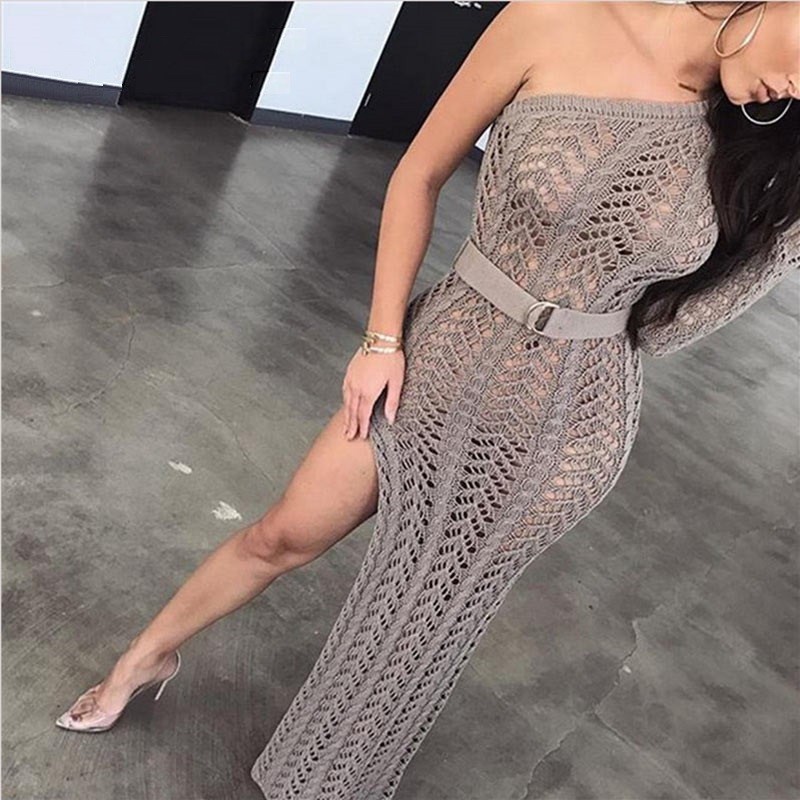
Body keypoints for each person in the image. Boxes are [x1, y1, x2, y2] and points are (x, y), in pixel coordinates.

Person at [56, 2, 799, 798]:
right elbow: (420, 172)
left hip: (571, 420)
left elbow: (677, 320)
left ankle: (327, 780)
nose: (795, 84)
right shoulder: (554, 19)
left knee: (426, 623)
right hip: (440, 355)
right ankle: (147, 656)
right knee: (282, 534)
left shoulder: (759, 140)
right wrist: (382, 340)